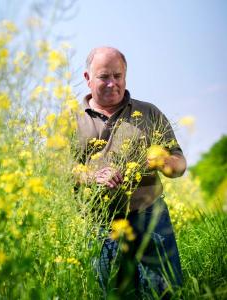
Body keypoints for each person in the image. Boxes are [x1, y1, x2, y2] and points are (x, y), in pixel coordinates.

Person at [72, 47, 186, 298]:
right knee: (117, 294)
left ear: (125, 75)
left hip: (150, 219)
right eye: (104, 77)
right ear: (87, 78)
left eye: (118, 75)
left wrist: (165, 161)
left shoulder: (149, 113)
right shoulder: (70, 120)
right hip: (101, 224)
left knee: (165, 293)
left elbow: (179, 164)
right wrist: (93, 176)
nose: (112, 83)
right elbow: (60, 170)